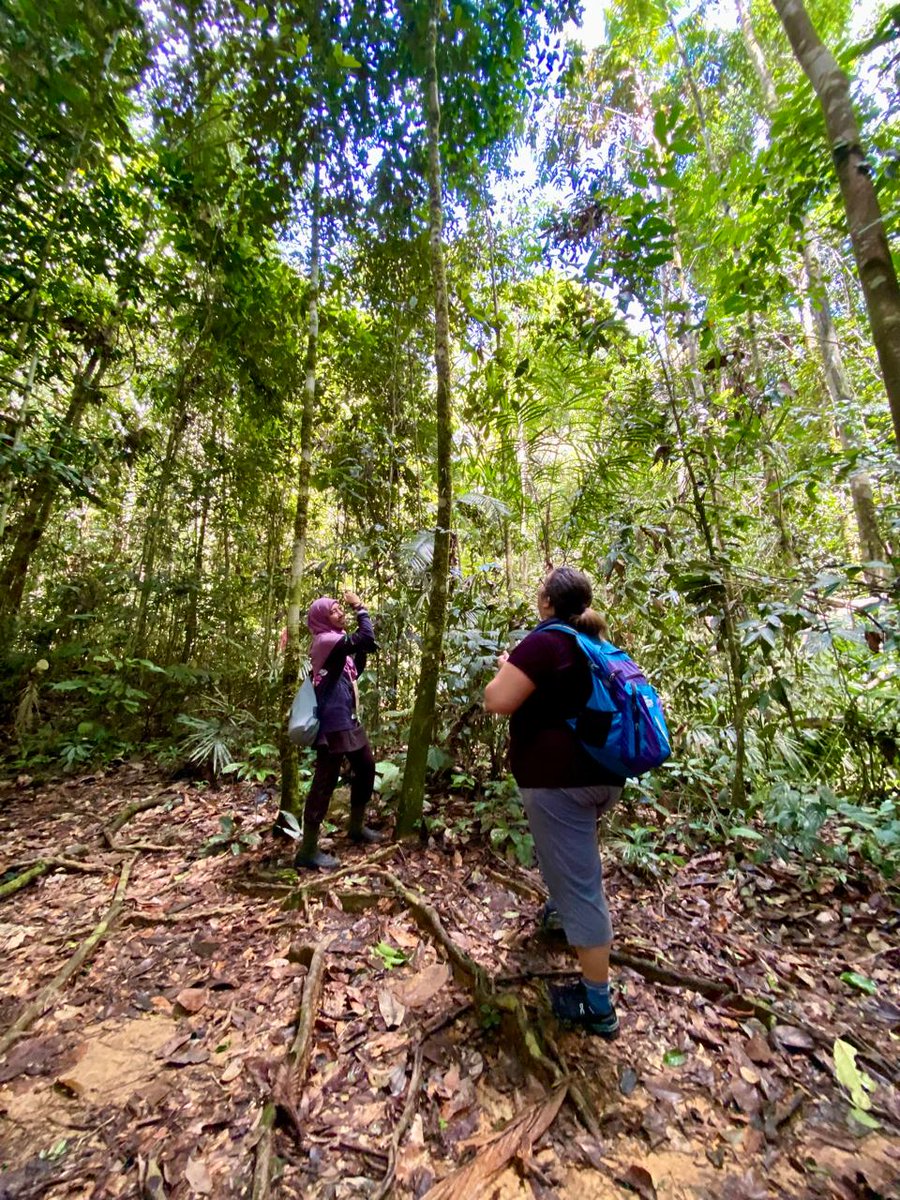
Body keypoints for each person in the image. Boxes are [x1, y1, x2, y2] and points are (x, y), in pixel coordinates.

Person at [484, 567, 624, 1039]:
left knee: (583, 885)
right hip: (602, 776)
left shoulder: (544, 642)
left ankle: (597, 1006)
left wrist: (510, 668)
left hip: (558, 782)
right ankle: (562, 915)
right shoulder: (592, 640)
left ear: (546, 601)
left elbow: (496, 700)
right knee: (573, 860)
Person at [296, 590, 380, 870]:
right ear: (321, 618)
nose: (340, 612)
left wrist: (360, 653)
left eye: (340, 609)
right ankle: (308, 850)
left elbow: (354, 668)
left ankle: (356, 827)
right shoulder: (325, 640)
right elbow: (365, 638)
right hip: (332, 721)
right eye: (334, 611)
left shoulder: (336, 645)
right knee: (324, 781)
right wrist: (360, 608)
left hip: (347, 717)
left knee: (366, 766)